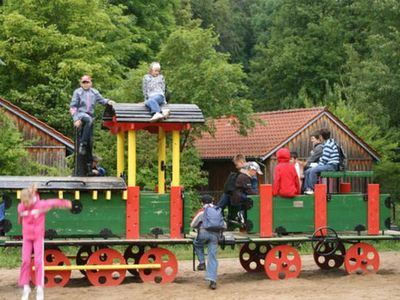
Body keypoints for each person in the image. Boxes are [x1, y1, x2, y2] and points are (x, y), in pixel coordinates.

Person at [18, 185, 72, 300]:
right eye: (23, 202)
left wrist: (66, 203)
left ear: (31, 198)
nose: (24, 205)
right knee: (25, 261)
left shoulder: (40, 204)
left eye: (26, 202)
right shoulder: (21, 207)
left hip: (38, 237)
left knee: (38, 261)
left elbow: (53, 202)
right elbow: (20, 218)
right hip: (27, 237)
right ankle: (26, 287)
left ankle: (39, 288)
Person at [70, 75, 115, 159]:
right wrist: (75, 119)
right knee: (88, 120)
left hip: (90, 115)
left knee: (90, 138)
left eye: (87, 82)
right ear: (81, 83)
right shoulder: (77, 92)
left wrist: (109, 101)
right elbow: (73, 107)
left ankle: (88, 159)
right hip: (81, 114)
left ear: (91, 83)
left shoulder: (94, 92)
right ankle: (82, 144)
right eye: (84, 82)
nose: (85, 84)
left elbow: (102, 100)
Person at [191, 194, 225, 290]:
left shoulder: (202, 211)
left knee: (197, 243)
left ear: (202, 202)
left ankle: (202, 262)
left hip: (203, 235)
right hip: (215, 236)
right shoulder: (217, 210)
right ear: (212, 201)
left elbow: (192, 224)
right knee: (213, 257)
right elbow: (224, 225)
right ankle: (213, 281)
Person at [303, 128, 340, 195]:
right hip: (328, 164)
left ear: (321, 137)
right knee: (307, 171)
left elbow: (324, 160)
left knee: (313, 170)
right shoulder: (328, 143)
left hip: (332, 165)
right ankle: (306, 189)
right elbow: (324, 159)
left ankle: (312, 189)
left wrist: (317, 165)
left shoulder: (328, 145)